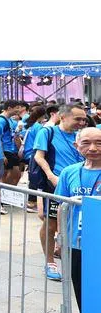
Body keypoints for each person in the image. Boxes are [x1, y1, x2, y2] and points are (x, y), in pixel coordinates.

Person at [54, 126, 101, 313]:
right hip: (76, 245)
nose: (93, 148)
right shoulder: (69, 172)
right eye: (86, 143)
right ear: (77, 146)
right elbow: (59, 206)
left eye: (99, 143)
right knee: (83, 293)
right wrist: (58, 238)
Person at [34, 104, 88, 281]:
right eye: (78, 119)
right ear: (63, 117)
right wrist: (51, 176)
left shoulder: (82, 136)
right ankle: (50, 262)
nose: (82, 122)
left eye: (84, 119)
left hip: (79, 184)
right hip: (56, 183)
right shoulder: (47, 132)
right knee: (50, 223)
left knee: (77, 222)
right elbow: (38, 156)